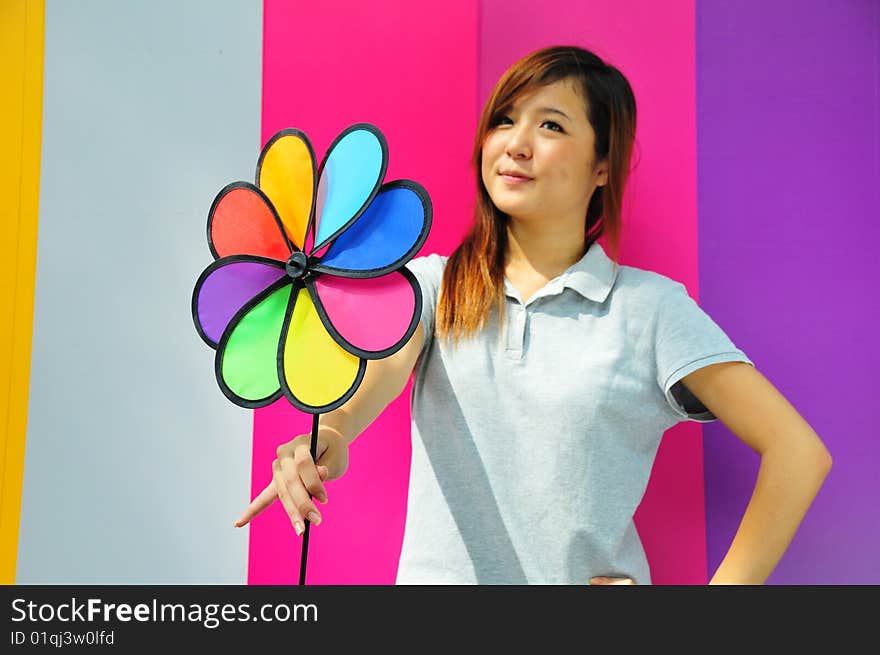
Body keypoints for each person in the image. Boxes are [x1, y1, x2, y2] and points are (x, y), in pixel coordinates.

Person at [233, 45, 832, 585]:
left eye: (550, 125)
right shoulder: (435, 287)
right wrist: (318, 446)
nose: (516, 143)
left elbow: (797, 452)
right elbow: (361, 401)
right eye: (504, 120)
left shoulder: (649, 310)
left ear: (603, 166)